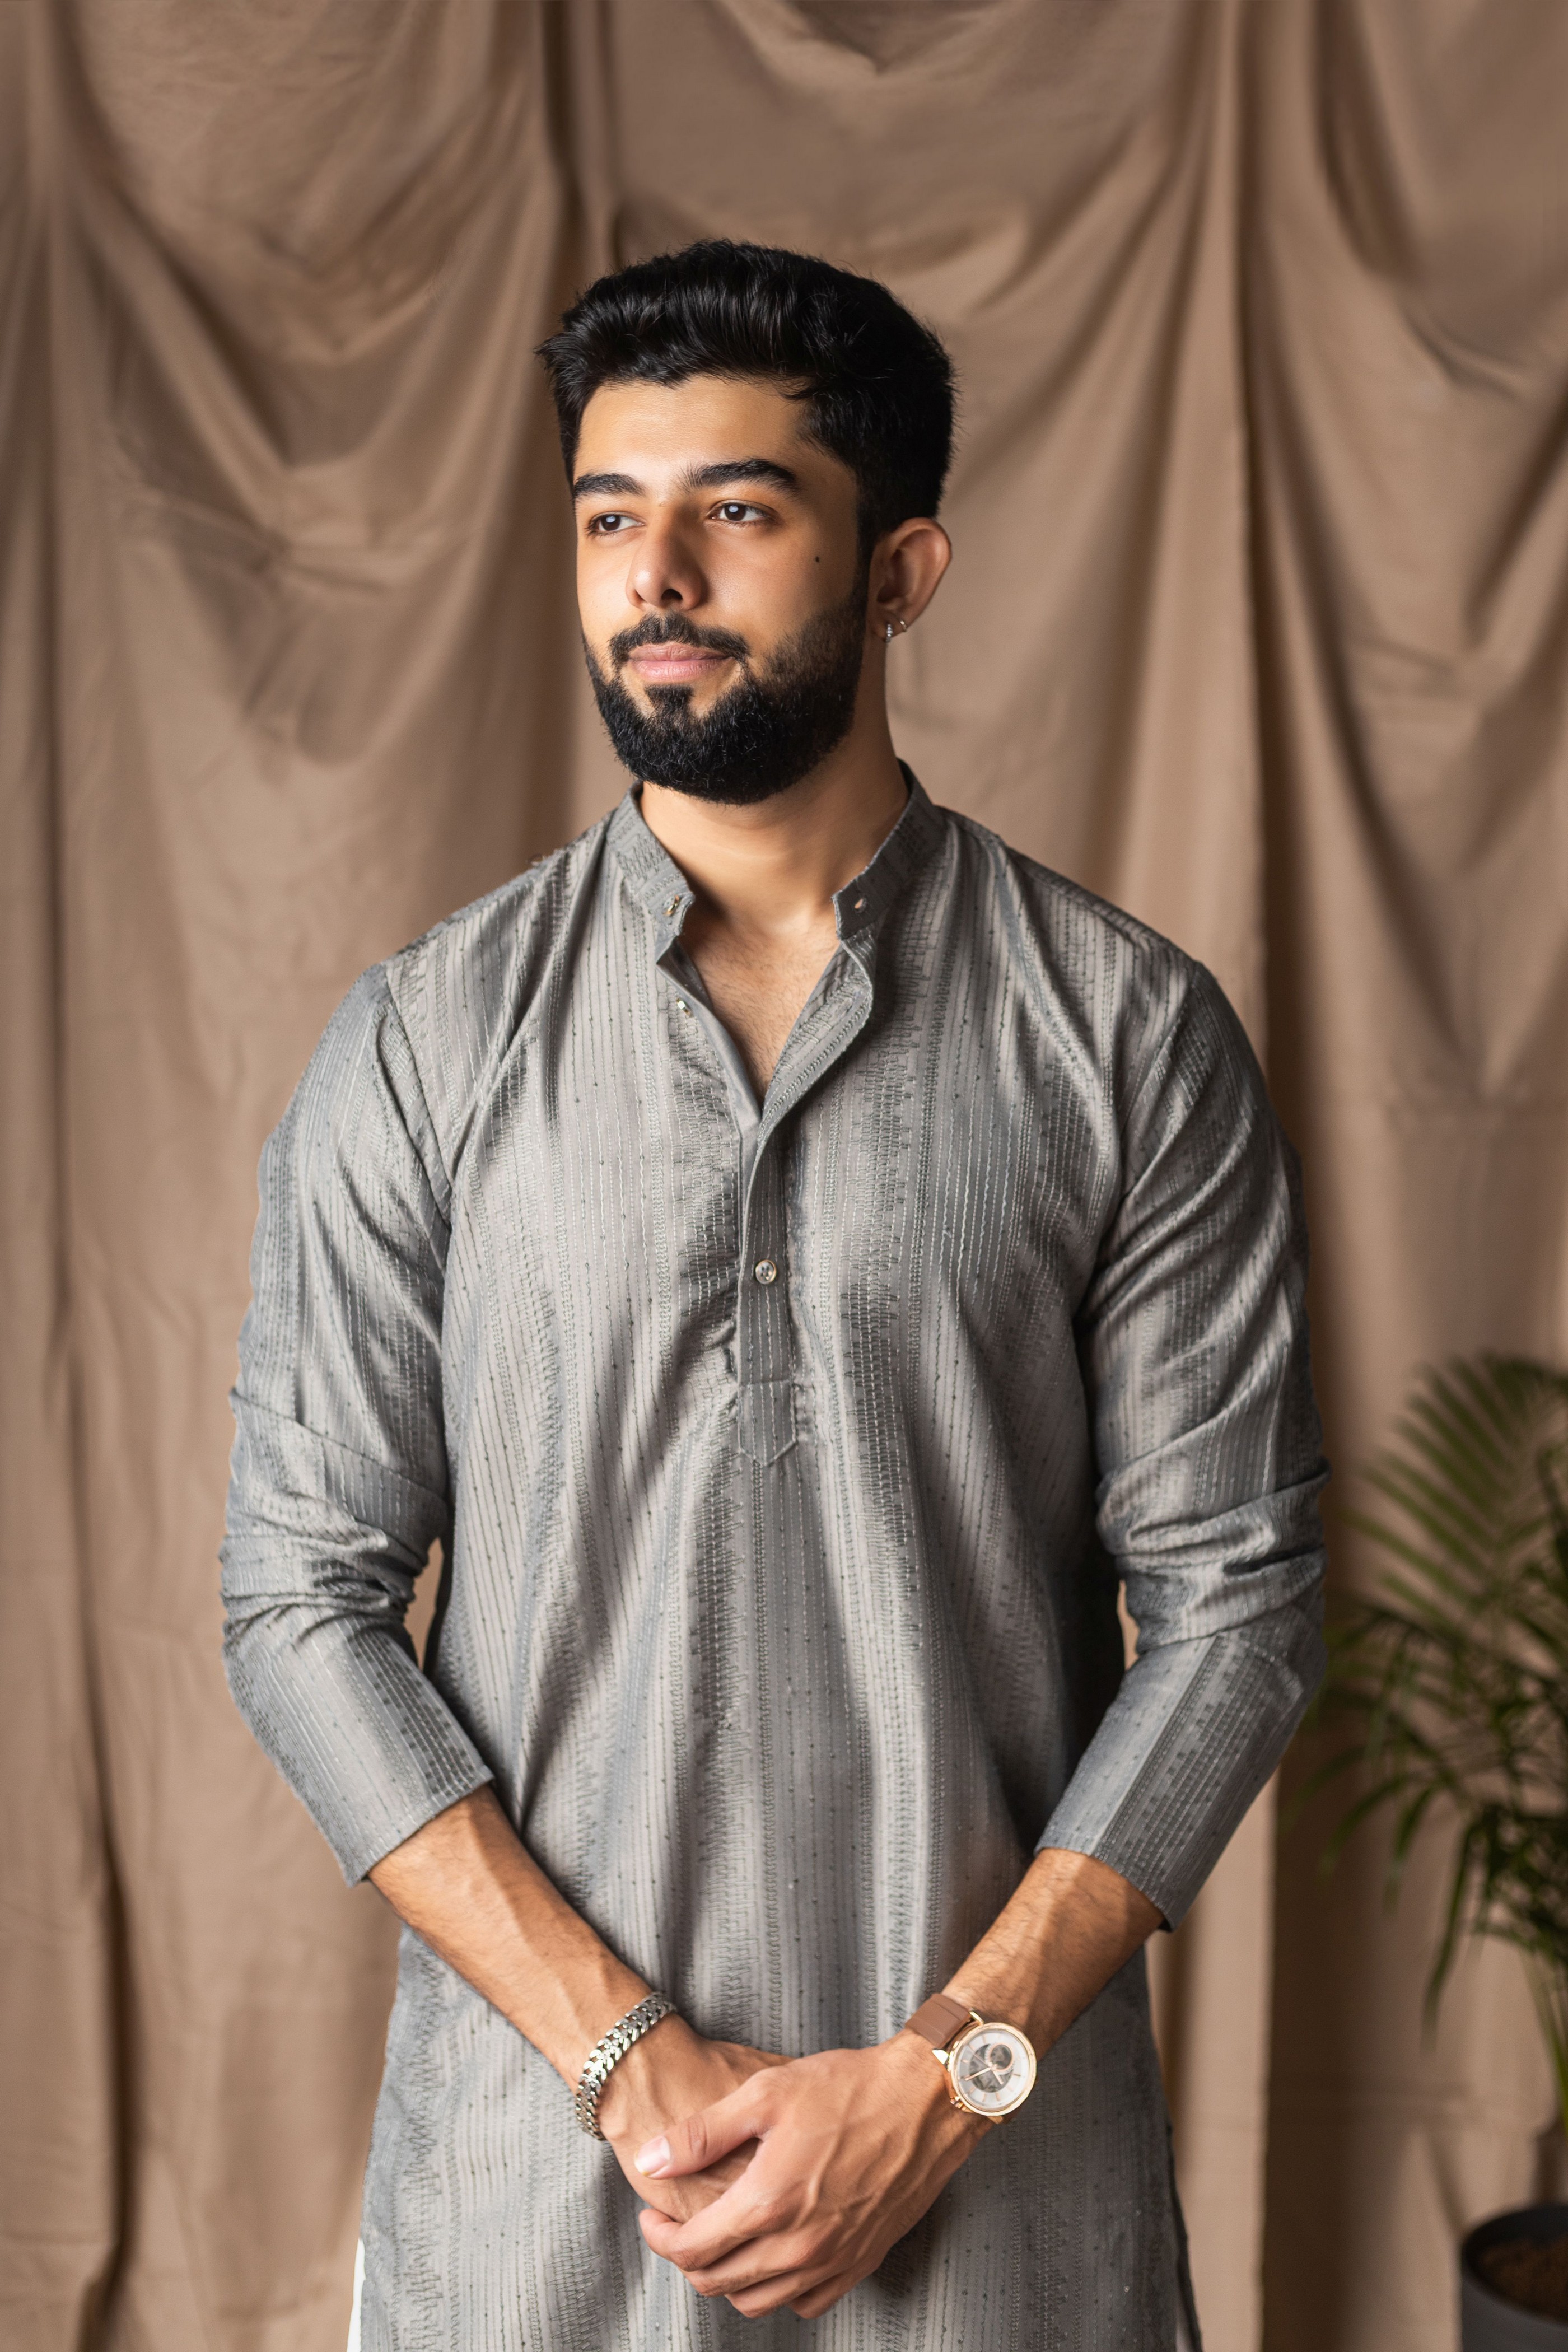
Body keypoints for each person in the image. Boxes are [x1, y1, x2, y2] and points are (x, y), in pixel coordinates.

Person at [221, 240, 1327, 2350]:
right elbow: (297, 1599)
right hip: (537, 2218)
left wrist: (946, 2079)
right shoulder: (426, 1045)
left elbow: (1240, 1612)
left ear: (901, 573)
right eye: (608, 517)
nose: (656, 575)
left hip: (997, 2219)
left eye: (736, 510)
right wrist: (624, 2054)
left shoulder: (1127, 1038)